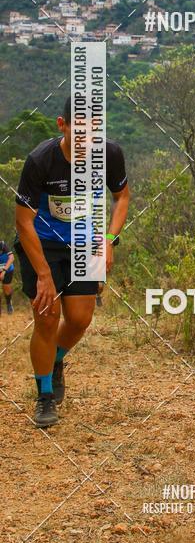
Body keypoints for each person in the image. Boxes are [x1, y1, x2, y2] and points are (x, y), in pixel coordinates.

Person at [14, 96, 130, 428]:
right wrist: (43, 275)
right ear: (61, 125)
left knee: (79, 319)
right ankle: (45, 397)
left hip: (85, 242)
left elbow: (121, 196)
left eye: (94, 133)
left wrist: (109, 240)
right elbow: (23, 221)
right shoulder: (41, 161)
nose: (87, 142)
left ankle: (55, 361)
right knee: (48, 317)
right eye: (80, 133)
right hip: (43, 244)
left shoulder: (109, 154)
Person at [0, 240, 15, 314]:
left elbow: (12, 258)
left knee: (6, 288)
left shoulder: (3, 244)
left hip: (7, 269)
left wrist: (4, 271)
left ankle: (9, 303)